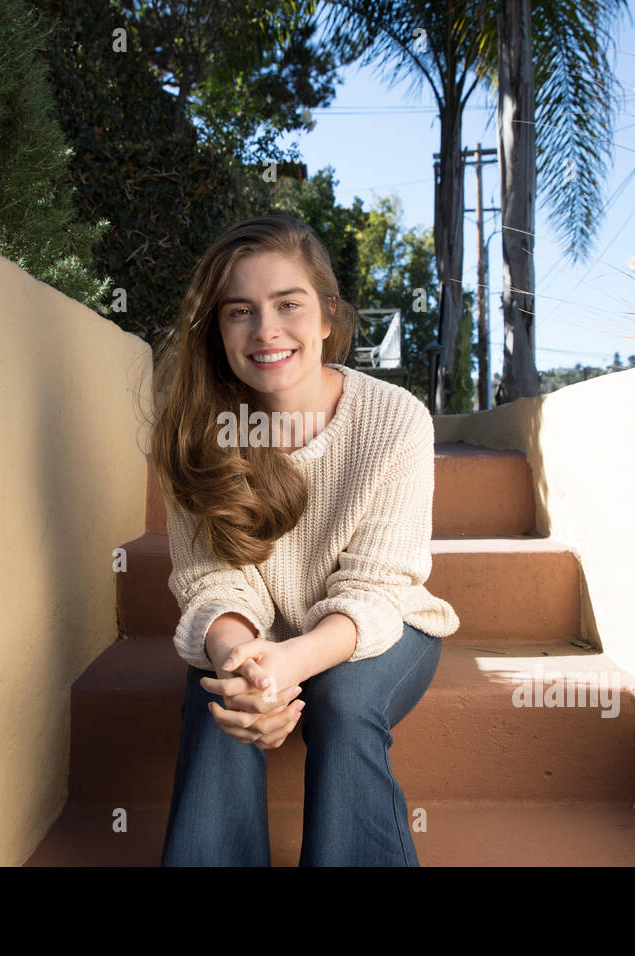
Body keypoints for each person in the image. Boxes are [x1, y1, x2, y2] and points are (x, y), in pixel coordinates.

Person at [143, 214, 459, 866]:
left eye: (288, 304)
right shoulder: (198, 432)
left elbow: (374, 590)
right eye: (240, 312)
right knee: (221, 691)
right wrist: (248, 662)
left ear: (326, 318)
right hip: (258, 631)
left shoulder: (394, 421)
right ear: (218, 330)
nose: (266, 330)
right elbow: (212, 583)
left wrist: (294, 662)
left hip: (376, 626)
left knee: (341, 703)